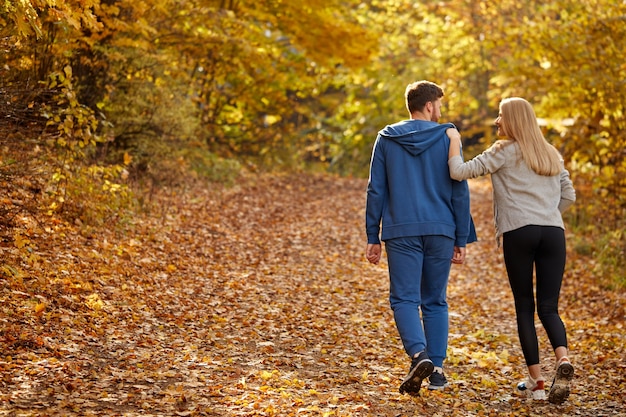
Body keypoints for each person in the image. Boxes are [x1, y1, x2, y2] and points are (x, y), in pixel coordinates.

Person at [447, 97, 576, 404]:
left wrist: (453, 140)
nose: (496, 122)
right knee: (549, 307)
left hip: (520, 231)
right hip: (553, 232)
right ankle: (563, 359)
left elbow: (459, 171)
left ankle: (538, 382)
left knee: (524, 307)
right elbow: (568, 195)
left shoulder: (501, 151)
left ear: (513, 120)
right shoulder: (550, 153)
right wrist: (546, 212)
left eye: (501, 116)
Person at [365, 80, 476, 396]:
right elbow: (459, 188)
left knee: (403, 298)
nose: (440, 111)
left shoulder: (386, 138)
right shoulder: (447, 137)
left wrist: (372, 234)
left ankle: (419, 355)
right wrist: (461, 236)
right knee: (435, 299)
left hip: (402, 230)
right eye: (439, 105)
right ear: (429, 105)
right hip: (441, 229)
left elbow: (376, 189)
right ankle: (437, 371)